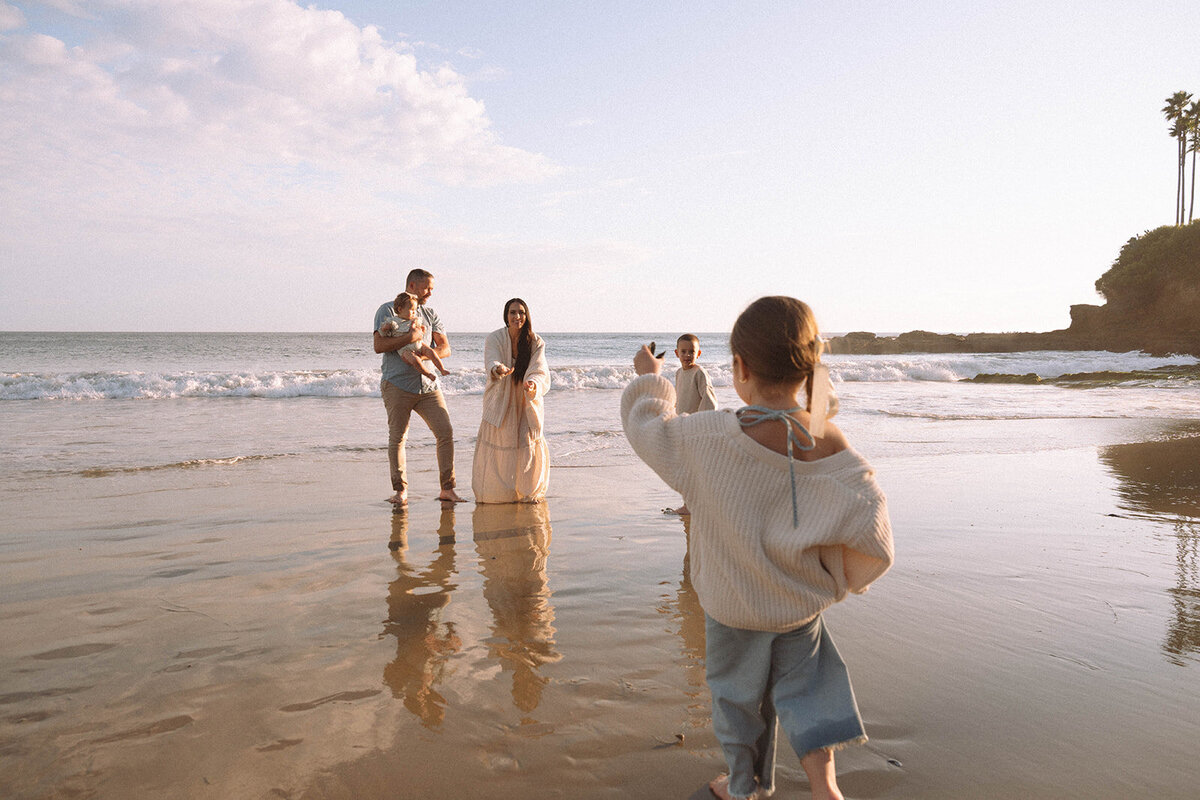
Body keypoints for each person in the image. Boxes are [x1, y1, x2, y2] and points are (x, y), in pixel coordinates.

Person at [621, 296, 894, 800]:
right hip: (798, 607)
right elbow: (873, 528)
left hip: (732, 609)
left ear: (739, 368)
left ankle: (744, 786)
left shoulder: (706, 438)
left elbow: (647, 429)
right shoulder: (825, 437)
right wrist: (836, 577)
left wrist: (651, 378)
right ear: (809, 365)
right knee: (809, 693)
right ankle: (825, 786)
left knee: (737, 702)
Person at [373, 269, 463, 506]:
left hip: (428, 386)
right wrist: (410, 339)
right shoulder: (388, 310)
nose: (430, 293)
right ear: (412, 285)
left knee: (445, 433)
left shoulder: (430, 313)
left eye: (432, 288)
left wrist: (421, 356)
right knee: (398, 438)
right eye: (427, 288)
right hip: (397, 384)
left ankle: (447, 489)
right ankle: (401, 491)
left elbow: (445, 348)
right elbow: (379, 345)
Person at [471, 298, 550, 503]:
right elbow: (492, 359)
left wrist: (532, 383)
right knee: (502, 443)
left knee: (528, 442)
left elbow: (539, 369)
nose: (517, 316)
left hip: (526, 397)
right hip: (502, 396)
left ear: (527, 315)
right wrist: (498, 369)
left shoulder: (536, 342)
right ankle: (501, 493)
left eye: (521, 312)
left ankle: (529, 492)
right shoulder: (495, 338)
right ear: (506, 316)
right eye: (512, 312)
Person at [667, 333, 718, 515]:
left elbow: (710, 400)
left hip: (698, 429)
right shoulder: (679, 373)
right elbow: (679, 398)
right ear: (676, 353)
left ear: (699, 353)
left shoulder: (700, 373)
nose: (687, 355)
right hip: (683, 428)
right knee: (686, 468)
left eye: (692, 352)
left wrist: (701, 424)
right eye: (684, 351)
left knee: (694, 468)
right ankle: (692, 503)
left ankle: (691, 506)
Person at [378, 292, 450, 381]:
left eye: (415, 310)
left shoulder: (415, 320)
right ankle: (428, 374)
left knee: (431, 352)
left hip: (419, 343)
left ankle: (442, 369)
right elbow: (383, 334)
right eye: (411, 310)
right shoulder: (393, 322)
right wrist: (384, 328)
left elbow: (421, 330)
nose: (414, 312)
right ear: (400, 309)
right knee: (415, 361)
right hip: (405, 349)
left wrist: (422, 330)